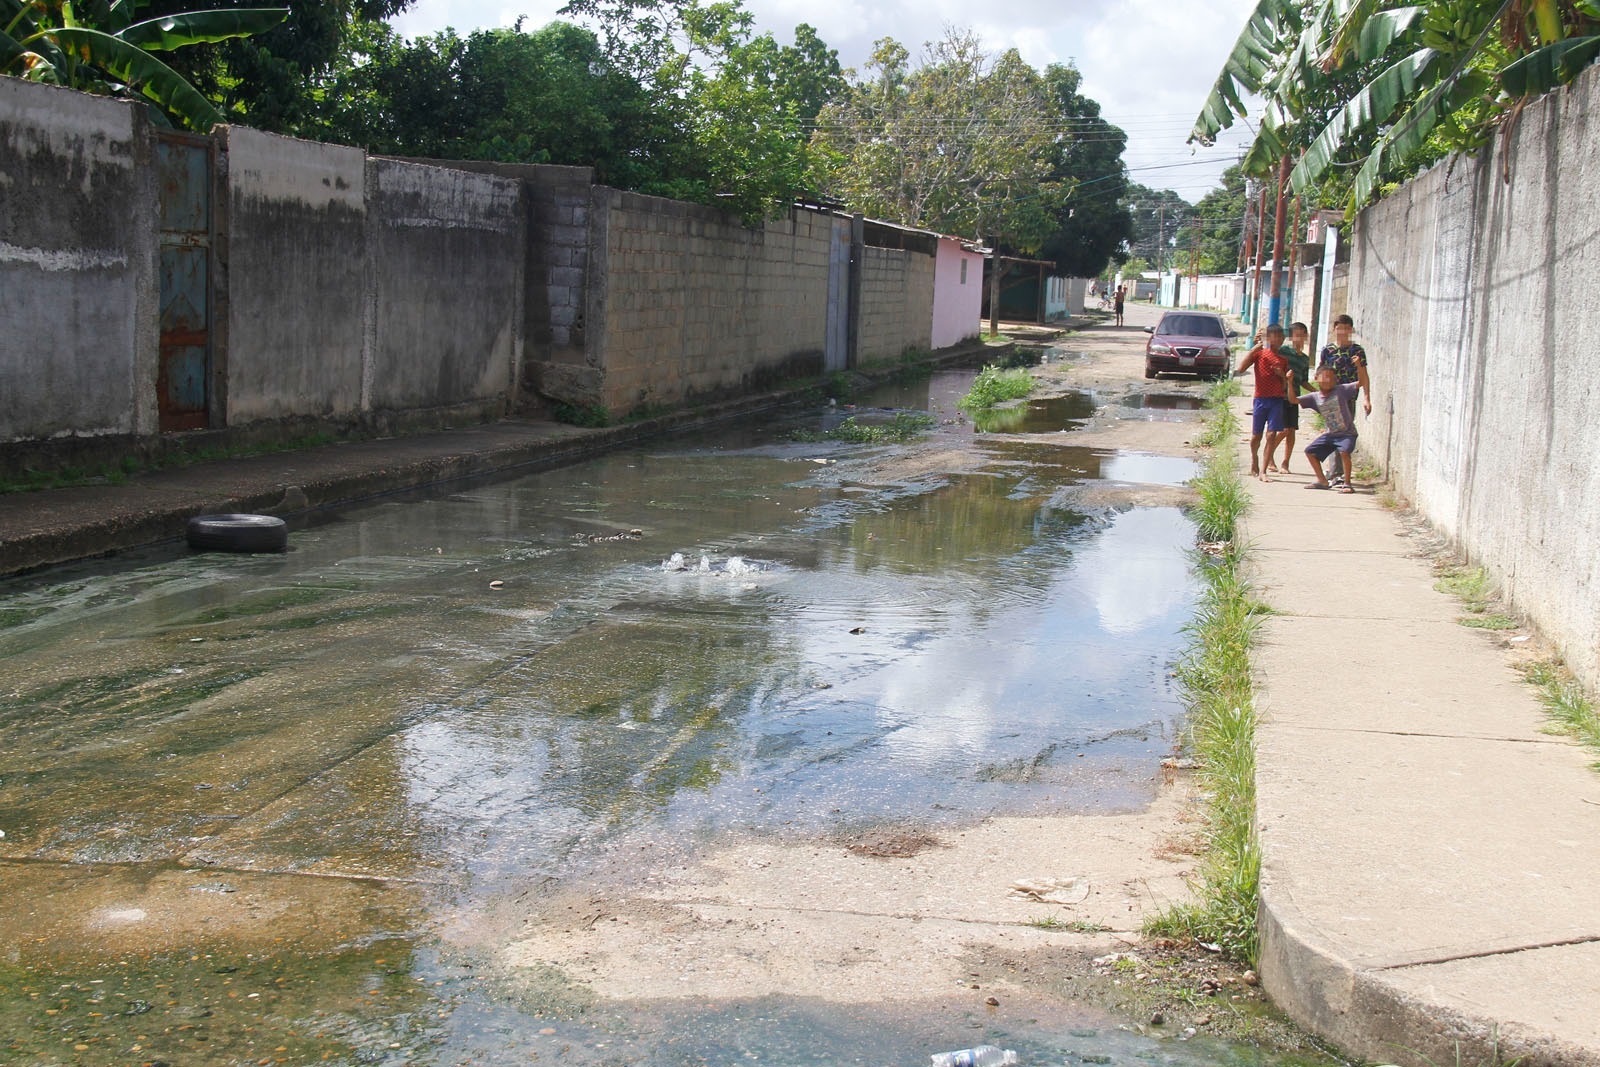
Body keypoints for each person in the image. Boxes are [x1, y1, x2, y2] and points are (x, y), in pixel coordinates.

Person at [1316, 314, 1372, 484]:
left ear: (1351, 330)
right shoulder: (1328, 350)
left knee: (1344, 434)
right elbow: (1320, 374)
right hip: (1331, 398)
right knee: (1333, 432)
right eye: (1340, 328)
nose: (1343, 332)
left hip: (1348, 398)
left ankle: (1338, 473)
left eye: (1347, 328)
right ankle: (1335, 473)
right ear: (1335, 329)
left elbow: (1364, 377)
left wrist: (1367, 398)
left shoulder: (1357, 351)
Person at [1234, 322, 1291, 481]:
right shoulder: (1260, 354)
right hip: (1260, 399)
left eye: (1281, 337)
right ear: (1268, 338)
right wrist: (1255, 348)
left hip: (1277, 400)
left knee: (1271, 434)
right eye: (1275, 336)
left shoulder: (1283, 359)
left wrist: (1281, 376)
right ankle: (1254, 459)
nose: (1278, 340)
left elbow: (1286, 384)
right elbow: (1241, 368)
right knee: (1255, 437)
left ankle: (1263, 471)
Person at [1296, 365, 1363, 493]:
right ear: (1316, 378)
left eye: (1332, 378)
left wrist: (1360, 367)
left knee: (1344, 452)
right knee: (1310, 451)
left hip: (1347, 433)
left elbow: (1362, 382)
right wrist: (1288, 381)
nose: (1328, 381)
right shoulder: (1314, 396)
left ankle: (1347, 483)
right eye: (1325, 377)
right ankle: (1322, 480)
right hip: (1331, 434)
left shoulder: (1341, 390)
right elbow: (1294, 400)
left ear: (1336, 380)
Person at [1275, 321, 1313, 474]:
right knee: (1283, 430)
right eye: (1296, 335)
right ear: (1291, 337)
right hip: (1280, 395)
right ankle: (1269, 454)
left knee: (1291, 431)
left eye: (1302, 335)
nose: (1300, 338)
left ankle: (1285, 462)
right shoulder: (1283, 351)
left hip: (1294, 397)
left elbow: (1304, 381)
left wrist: (1316, 391)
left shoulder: (1304, 359)